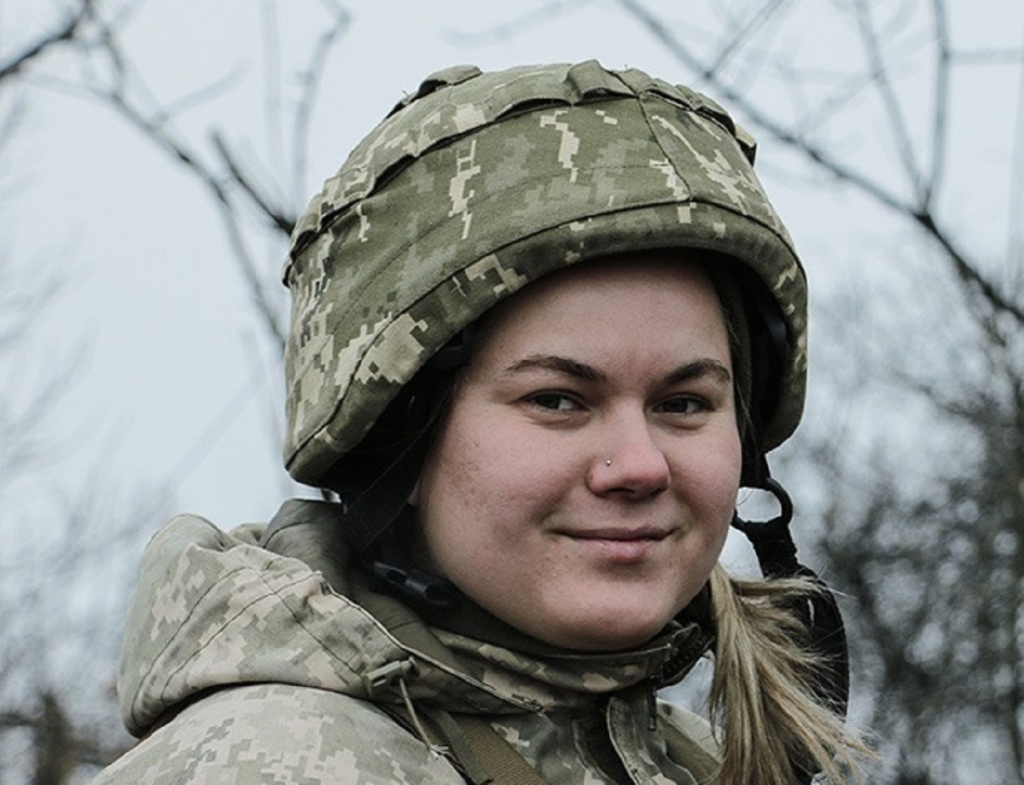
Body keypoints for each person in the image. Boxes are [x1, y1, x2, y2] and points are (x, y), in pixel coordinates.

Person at [92, 61, 866, 785]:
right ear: (401, 437)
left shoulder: (705, 761)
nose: (639, 464)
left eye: (684, 403)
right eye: (557, 400)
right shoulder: (279, 762)